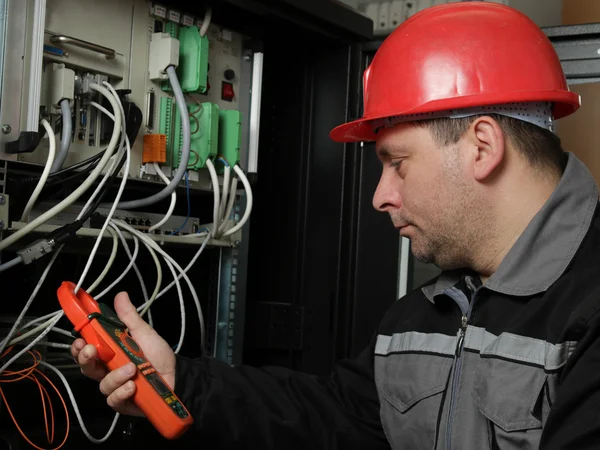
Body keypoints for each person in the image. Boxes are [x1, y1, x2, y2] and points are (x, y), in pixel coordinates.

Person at [71, 2, 600, 449]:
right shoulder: (422, 317)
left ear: (481, 147)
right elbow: (337, 415)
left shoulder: (588, 316)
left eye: (397, 162)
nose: (380, 197)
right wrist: (180, 381)